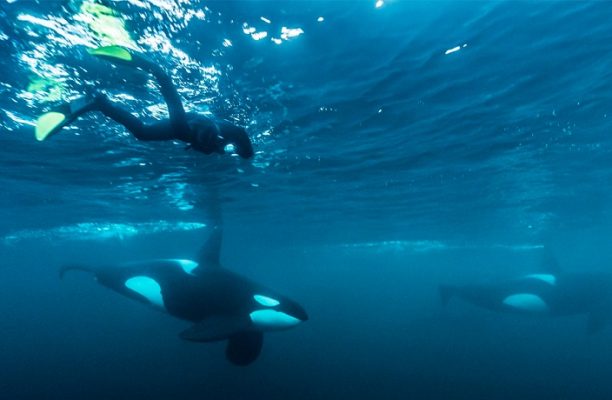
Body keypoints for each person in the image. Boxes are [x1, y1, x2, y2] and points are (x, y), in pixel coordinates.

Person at [35, 46, 254, 159]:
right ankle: (100, 104)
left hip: (210, 130)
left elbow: (247, 155)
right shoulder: (182, 128)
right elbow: (166, 83)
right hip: (189, 121)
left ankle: (99, 103)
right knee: (143, 133)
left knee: (142, 133)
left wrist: (238, 156)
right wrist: (147, 65)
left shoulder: (237, 134)